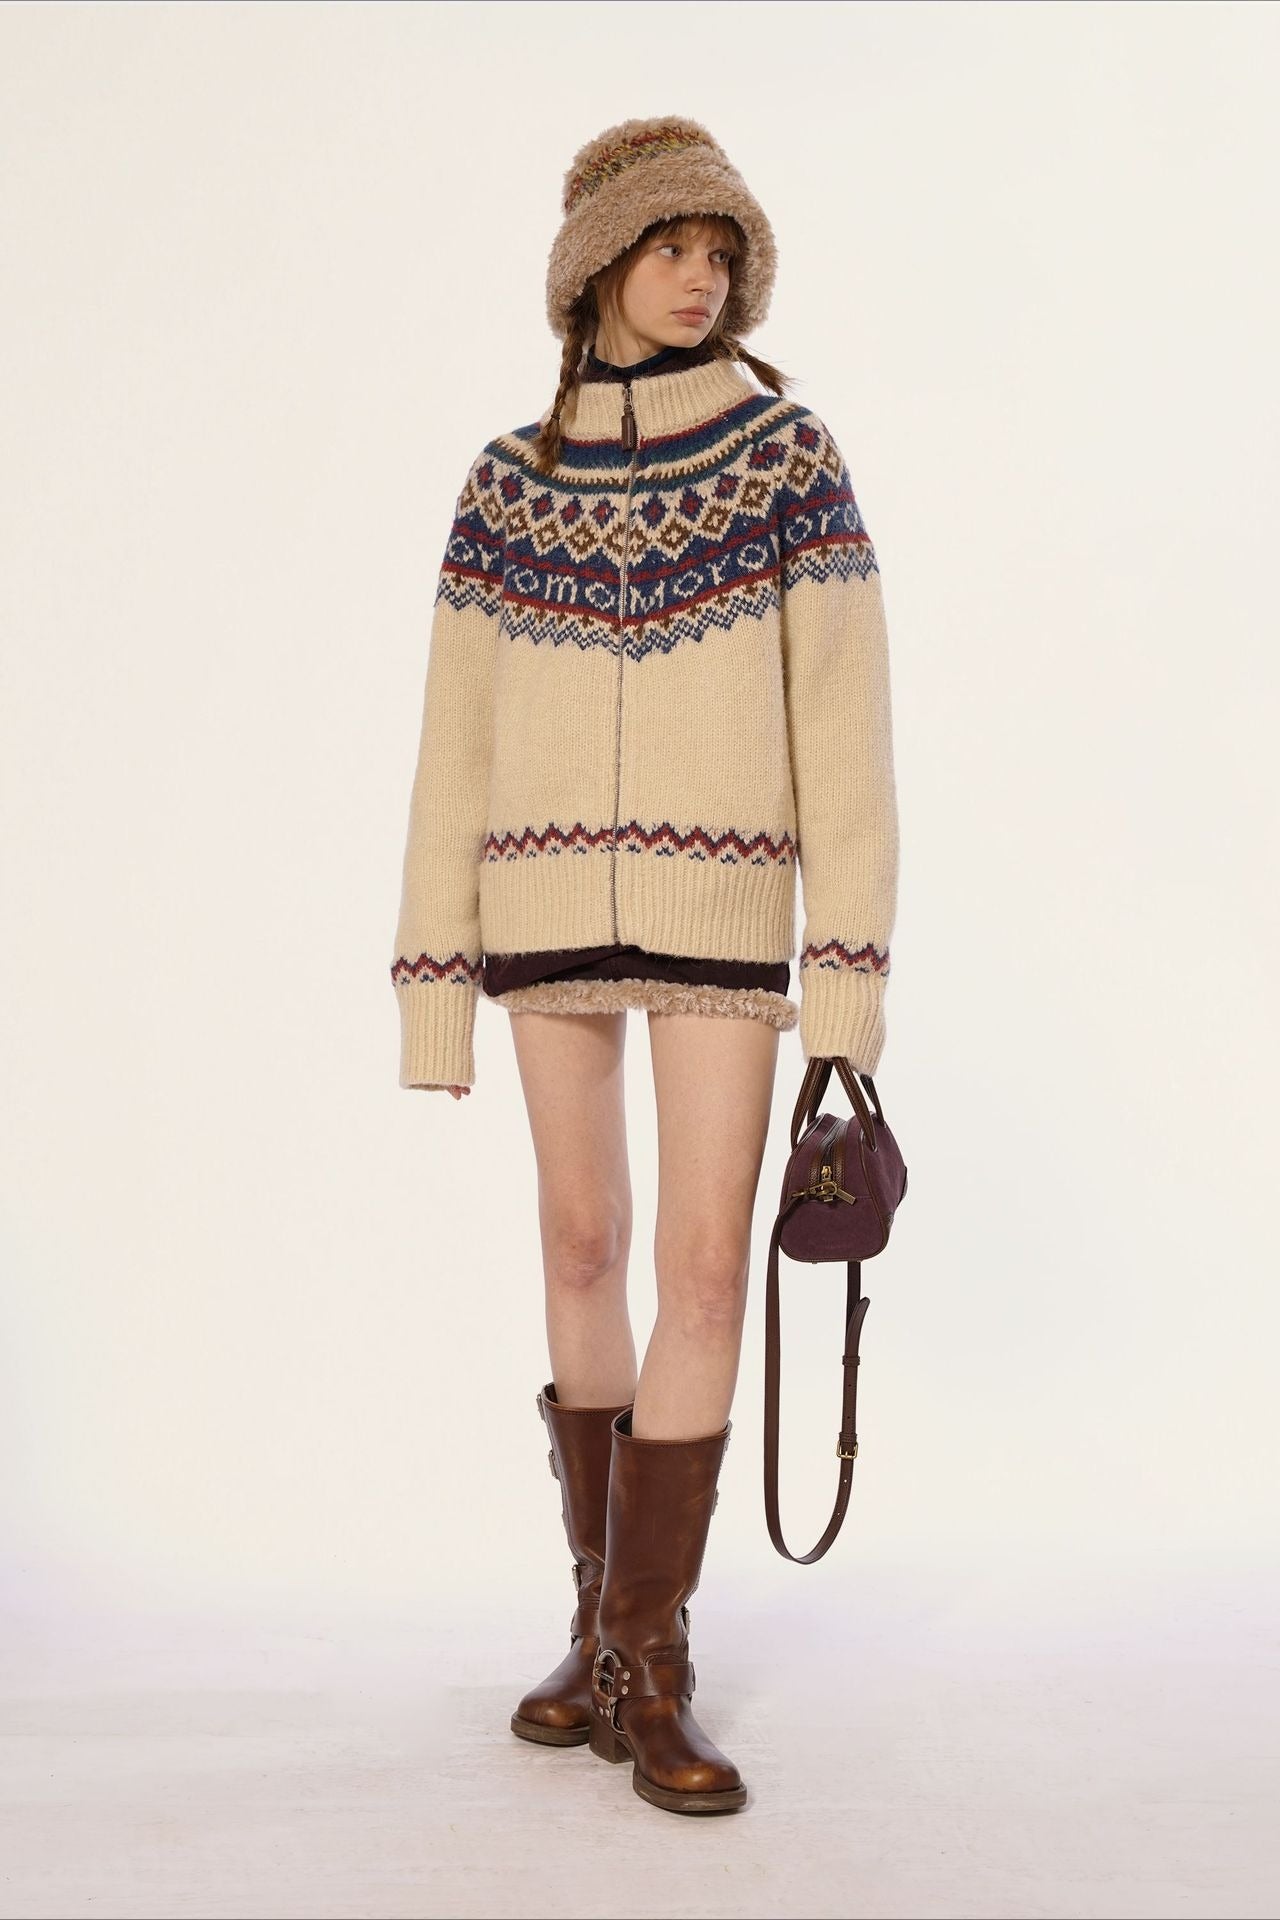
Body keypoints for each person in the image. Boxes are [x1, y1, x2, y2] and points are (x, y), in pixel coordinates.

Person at [389, 113, 900, 1816]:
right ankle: (600, 1623)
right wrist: (433, 985)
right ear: (597, 265)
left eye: (723, 255)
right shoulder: (505, 485)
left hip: (727, 914)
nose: (702, 279)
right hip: (539, 905)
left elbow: (847, 731)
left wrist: (847, 977)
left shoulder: (787, 459)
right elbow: (454, 746)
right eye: (674, 248)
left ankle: (646, 1654)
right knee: (580, 1239)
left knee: (699, 1260)